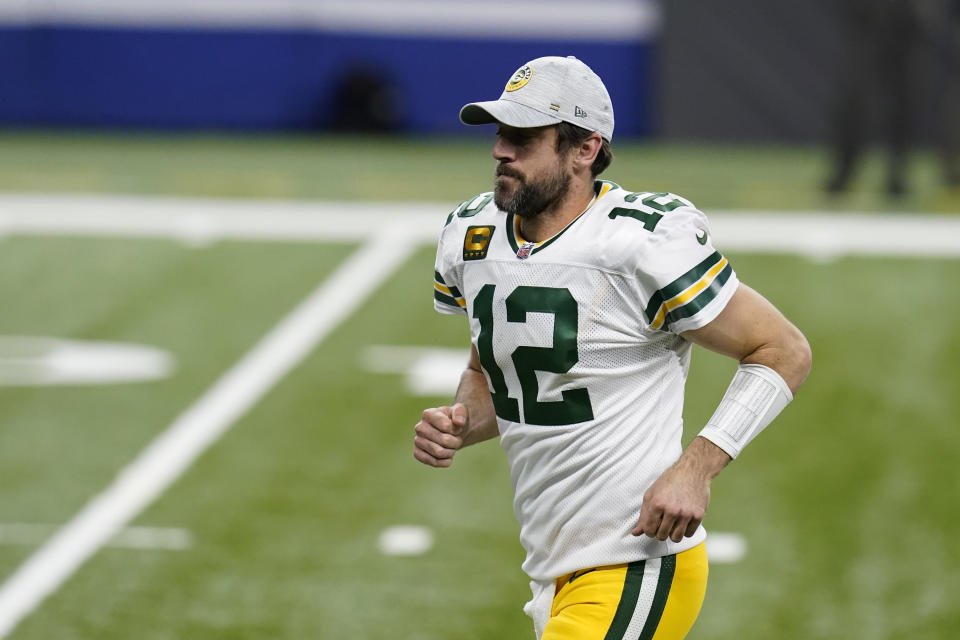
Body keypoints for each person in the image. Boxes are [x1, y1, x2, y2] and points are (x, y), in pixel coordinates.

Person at [414, 56, 812, 640]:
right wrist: (460, 419)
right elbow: (493, 369)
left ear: (584, 148)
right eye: (500, 133)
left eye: (524, 137)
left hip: (636, 561)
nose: (501, 150)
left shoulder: (640, 241)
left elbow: (783, 350)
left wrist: (695, 469)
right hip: (553, 569)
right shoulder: (472, 234)